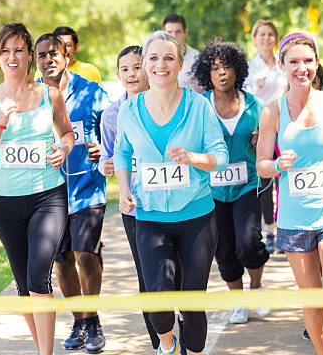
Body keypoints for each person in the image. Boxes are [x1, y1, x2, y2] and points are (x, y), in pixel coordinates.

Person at [114, 31, 228, 355]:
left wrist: (193, 159)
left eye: (168, 58)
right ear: (144, 65)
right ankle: (167, 343)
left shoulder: (199, 106)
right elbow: (121, 153)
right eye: (153, 58)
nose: (160, 65)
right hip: (150, 218)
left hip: (197, 217)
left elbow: (221, 156)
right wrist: (124, 190)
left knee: (192, 304)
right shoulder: (130, 110)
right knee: (158, 304)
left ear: (179, 64)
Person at [256, 32, 323, 355]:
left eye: (308, 61)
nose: (302, 68)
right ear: (282, 66)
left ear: (316, 63)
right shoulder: (272, 112)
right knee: (313, 300)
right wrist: (276, 164)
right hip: (294, 217)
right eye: (294, 62)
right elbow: (260, 165)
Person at [0, 23, 74, 355]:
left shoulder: (50, 94)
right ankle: (41, 346)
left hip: (48, 196)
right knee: (23, 287)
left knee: (37, 280)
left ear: (30, 55)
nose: (12, 57)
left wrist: (65, 148)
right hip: (5, 202)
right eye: (5, 51)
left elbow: (68, 133)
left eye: (19, 50)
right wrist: (0, 123)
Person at [35, 33, 111, 352]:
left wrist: (103, 151)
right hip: (49, 193)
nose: (48, 59)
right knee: (62, 260)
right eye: (42, 55)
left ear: (66, 56)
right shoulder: (30, 97)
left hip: (87, 186)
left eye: (54, 53)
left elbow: (113, 132)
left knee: (86, 254)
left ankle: (92, 320)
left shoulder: (92, 91)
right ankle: (79, 321)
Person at [194, 38, 271, 324]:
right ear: (208, 74)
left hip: (246, 185)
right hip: (210, 190)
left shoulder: (256, 106)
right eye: (215, 68)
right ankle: (238, 299)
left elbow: (271, 142)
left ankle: (256, 287)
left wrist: (263, 139)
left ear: (238, 69)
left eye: (227, 66)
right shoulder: (198, 106)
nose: (222, 73)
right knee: (224, 249)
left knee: (249, 242)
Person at [98, 45, 163, 349]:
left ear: (149, 68)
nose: (131, 74)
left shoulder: (166, 105)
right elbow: (108, 157)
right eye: (125, 69)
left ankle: (186, 326)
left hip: (169, 200)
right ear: (117, 75)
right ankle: (160, 342)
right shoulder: (112, 115)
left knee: (172, 272)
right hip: (134, 206)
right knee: (146, 272)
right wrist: (106, 165)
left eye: (137, 67)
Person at [243, 20, 287, 254]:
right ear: (254, 38)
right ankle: (270, 230)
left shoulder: (284, 64)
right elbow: (245, 100)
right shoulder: (249, 68)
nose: (266, 38)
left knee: (285, 180)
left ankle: (286, 228)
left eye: (271, 34)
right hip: (261, 129)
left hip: (286, 128)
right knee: (266, 180)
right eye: (262, 34)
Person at [162, 14, 202, 93]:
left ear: (185, 32)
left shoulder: (198, 58)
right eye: (169, 32)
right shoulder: (157, 60)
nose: (173, 36)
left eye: (178, 32)